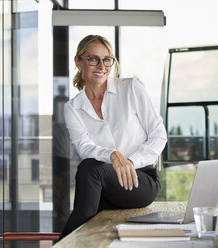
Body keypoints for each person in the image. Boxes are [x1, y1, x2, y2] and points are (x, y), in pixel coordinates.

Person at [59, 34, 167, 239]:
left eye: (107, 59)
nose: (101, 66)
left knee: (89, 170)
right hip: (106, 186)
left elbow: (159, 135)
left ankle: (63, 243)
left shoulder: (131, 89)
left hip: (141, 180)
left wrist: (129, 162)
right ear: (78, 62)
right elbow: (84, 147)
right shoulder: (73, 108)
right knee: (89, 211)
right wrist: (113, 156)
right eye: (93, 59)